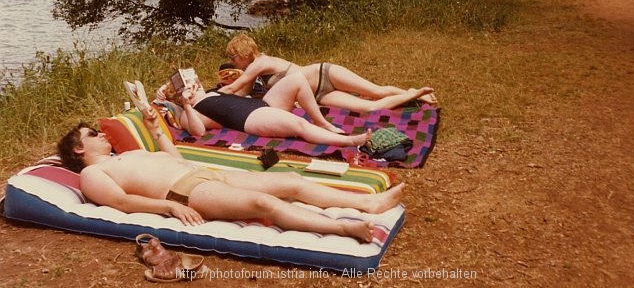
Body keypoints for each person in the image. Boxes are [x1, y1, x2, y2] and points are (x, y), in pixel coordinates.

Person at [57, 113, 405, 242]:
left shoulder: (126, 155)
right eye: (93, 134)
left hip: (203, 172)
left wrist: (154, 130)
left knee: (292, 181)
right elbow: (120, 202)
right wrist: (168, 207)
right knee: (264, 204)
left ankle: (368, 202)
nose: (103, 135)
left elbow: (174, 158)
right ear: (78, 149)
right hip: (185, 192)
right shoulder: (93, 172)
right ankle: (345, 228)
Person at [218, 33, 436, 113]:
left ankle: (416, 92)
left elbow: (236, 88)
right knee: (368, 107)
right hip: (318, 95)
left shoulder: (260, 62)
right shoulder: (254, 70)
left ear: (244, 53)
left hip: (324, 73)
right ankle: (412, 95)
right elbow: (240, 93)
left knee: (375, 91)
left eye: (233, 57)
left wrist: (213, 97)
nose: (232, 62)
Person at [157, 71, 372, 146]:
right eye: (188, 86)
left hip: (260, 104)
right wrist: (184, 102)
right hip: (251, 117)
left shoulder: (213, 92)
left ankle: (324, 123)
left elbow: (239, 90)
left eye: (193, 81)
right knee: (298, 124)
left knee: (296, 79)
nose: (194, 85)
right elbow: (198, 132)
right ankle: (348, 140)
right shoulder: (191, 111)